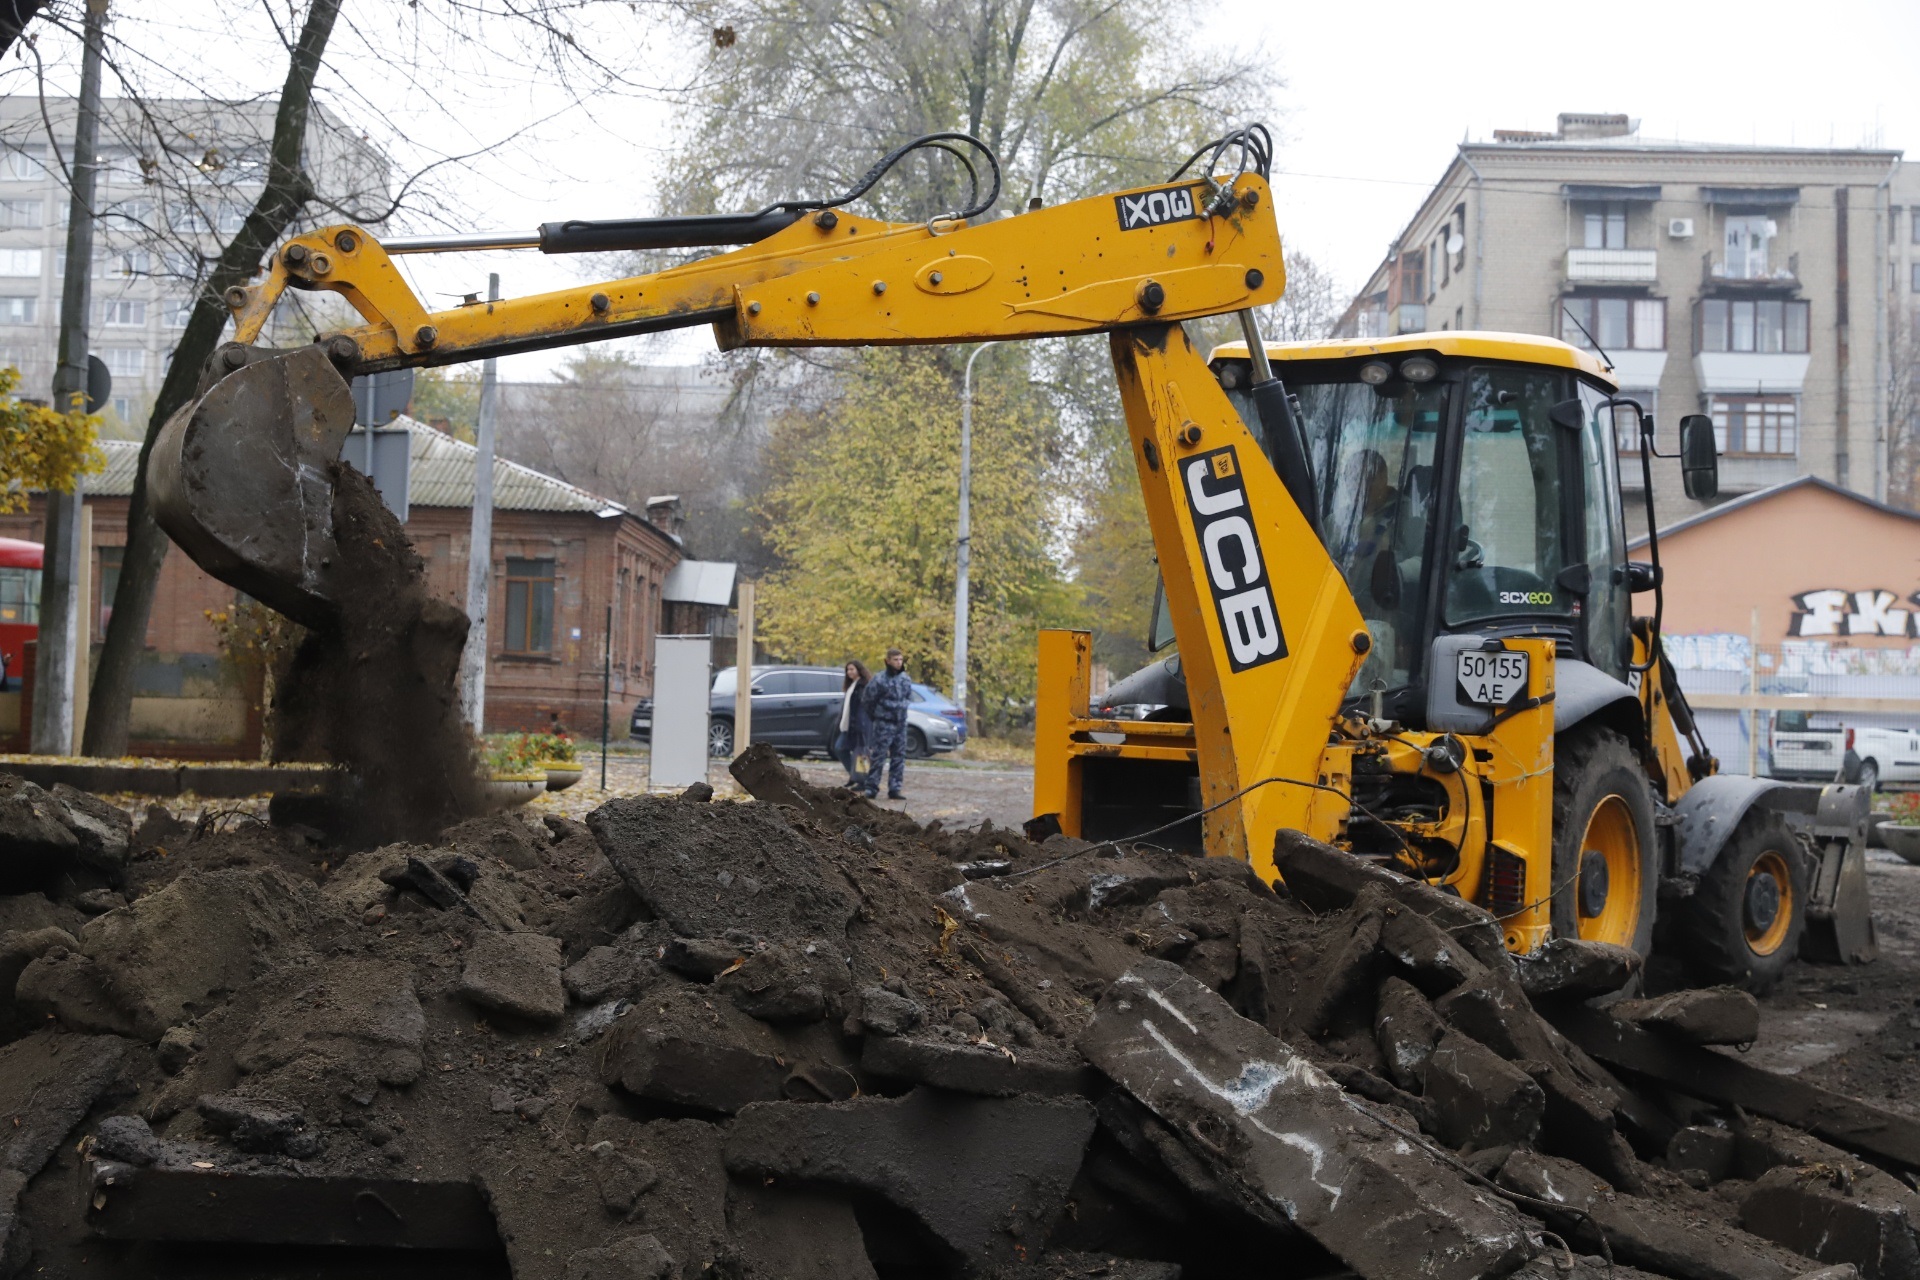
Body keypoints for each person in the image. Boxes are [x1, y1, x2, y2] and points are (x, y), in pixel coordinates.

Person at [863, 648, 913, 800]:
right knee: (878, 756)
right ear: (888, 661)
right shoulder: (879, 679)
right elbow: (868, 700)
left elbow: (908, 698)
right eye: (895, 660)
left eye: (900, 660)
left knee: (899, 757)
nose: (899, 663)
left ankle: (895, 788)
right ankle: (871, 787)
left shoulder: (905, 679)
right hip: (884, 723)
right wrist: (877, 716)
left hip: (900, 724)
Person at [833, 660, 872, 786]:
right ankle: (855, 776)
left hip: (859, 726)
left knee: (861, 754)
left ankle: (863, 780)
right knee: (840, 748)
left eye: (852, 669)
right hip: (848, 726)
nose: (849, 672)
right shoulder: (852, 685)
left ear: (859, 670)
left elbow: (863, 708)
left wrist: (862, 725)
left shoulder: (863, 686)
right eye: (848, 670)